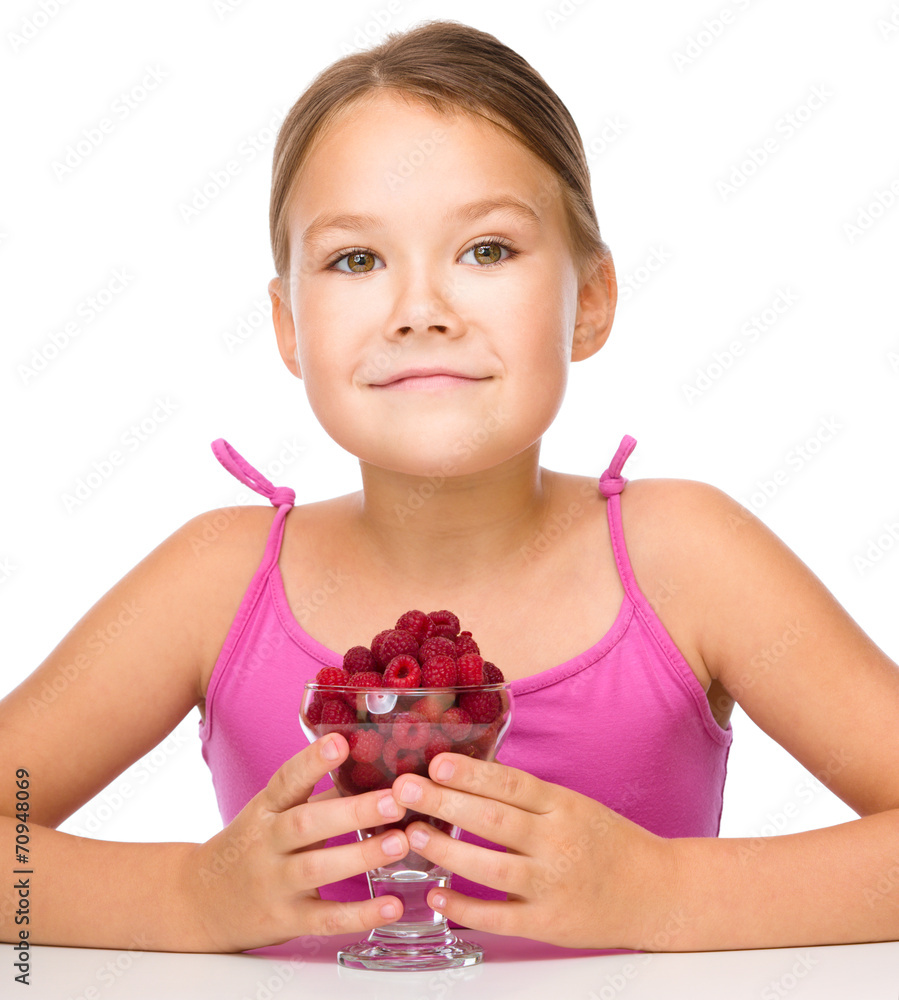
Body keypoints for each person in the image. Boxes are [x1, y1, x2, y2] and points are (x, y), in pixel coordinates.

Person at [2, 18, 899, 957]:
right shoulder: (215, 580)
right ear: (288, 327)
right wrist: (186, 897)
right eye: (357, 260)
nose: (420, 311)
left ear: (588, 299)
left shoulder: (690, 559)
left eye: (486, 250)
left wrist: (662, 889)